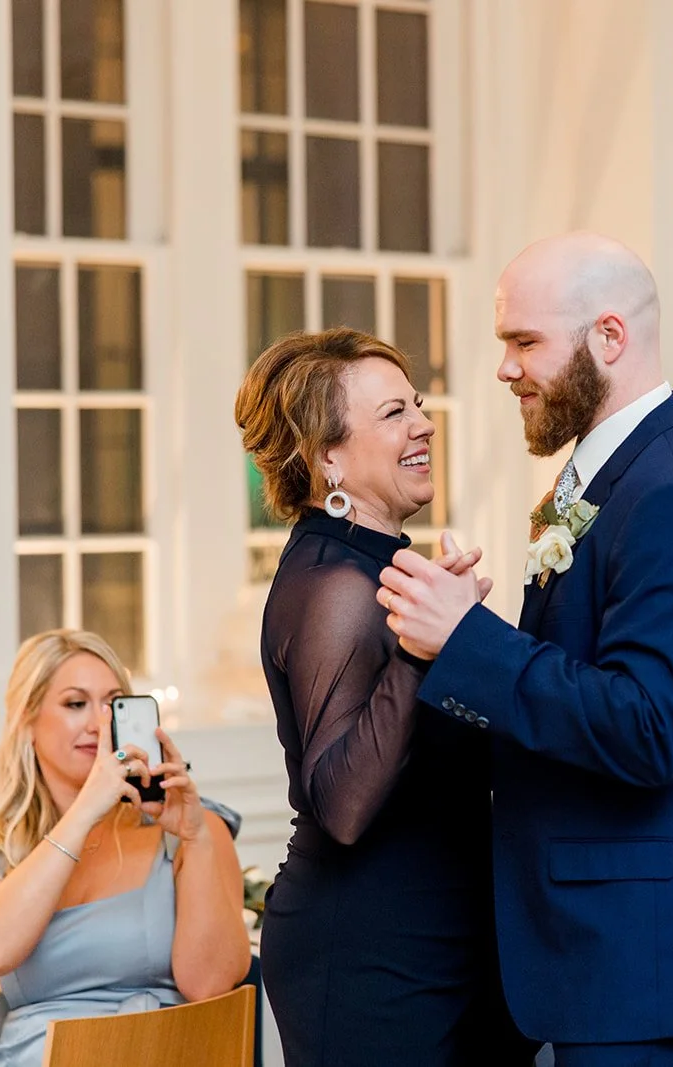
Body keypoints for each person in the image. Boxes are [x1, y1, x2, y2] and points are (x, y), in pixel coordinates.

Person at [378, 232, 673, 1066]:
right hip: (603, 953)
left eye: (525, 342)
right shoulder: (607, 478)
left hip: (648, 962)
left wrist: (468, 640)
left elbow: (648, 726)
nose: (504, 369)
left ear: (609, 337)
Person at [234, 328, 531, 1066]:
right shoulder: (336, 582)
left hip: (442, 930)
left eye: (419, 406)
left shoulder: (390, 569)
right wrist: (422, 649)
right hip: (369, 949)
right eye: (394, 412)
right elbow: (341, 805)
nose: (425, 424)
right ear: (326, 455)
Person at [0, 629, 247, 1067]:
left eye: (113, 705)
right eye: (75, 704)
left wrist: (195, 838)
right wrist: (84, 813)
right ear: (28, 721)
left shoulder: (189, 828)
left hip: (168, 1054)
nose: (97, 724)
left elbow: (209, 984)